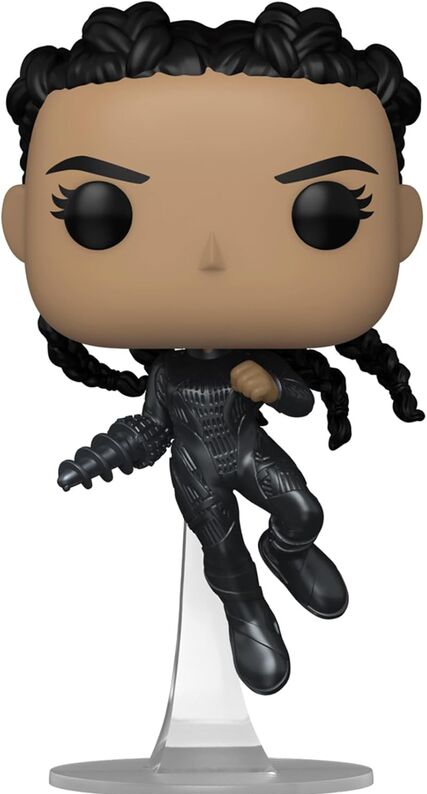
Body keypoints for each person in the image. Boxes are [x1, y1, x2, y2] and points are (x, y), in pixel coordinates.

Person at [3, 1, 423, 694]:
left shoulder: (249, 363)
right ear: (20, 226)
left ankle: (288, 550)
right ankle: (245, 610)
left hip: (248, 449)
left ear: (403, 226)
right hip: (196, 470)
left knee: (304, 510)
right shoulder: (169, 377)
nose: (210, 258)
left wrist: (272, 387)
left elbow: (295, 400)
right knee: (221, 552)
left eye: (325, 213)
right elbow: (149, 430)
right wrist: (96, 459)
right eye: (98, 214)